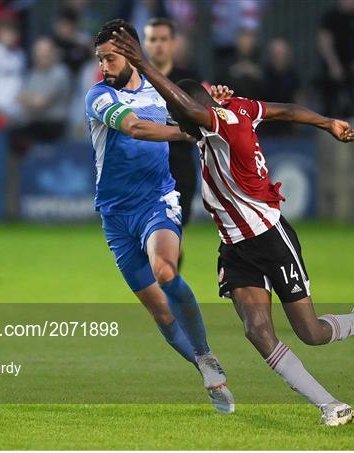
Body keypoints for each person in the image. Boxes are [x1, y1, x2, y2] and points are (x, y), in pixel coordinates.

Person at [110, 26, 354, 427]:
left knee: (309, 331)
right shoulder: (236, 108)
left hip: (269, 236)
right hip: (235, 246)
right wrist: (327, 122)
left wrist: (140, 62)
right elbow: (287, 110)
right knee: (257, 331)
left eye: (182, 118)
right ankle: (331, 405)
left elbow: (190, 112)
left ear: (199, 111)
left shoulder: (218, 123)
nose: (180, 127)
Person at [85, 19, 234, 414]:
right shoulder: (97, 96)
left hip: (158, 199)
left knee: (166, 271)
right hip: (116, 216)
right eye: (100, 59)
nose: (104, 66)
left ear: (131, 53)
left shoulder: (160, 91)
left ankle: (204, 355)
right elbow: (135, 128)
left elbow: (203, 111)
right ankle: (205, 365)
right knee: (160, 310)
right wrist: (189, 132)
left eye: (111, 58)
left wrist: (212, 104)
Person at [143, 18, 200, 232]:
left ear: (174, 43)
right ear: (145, 44)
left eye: (164, 39)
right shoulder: (133, 81)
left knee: (174, 233)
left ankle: (170, 266)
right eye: (153, 39)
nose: (159, 44)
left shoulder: (189, 81)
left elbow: (206, 116)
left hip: (180, 168)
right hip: (143, 167)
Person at [17, 37, 72, 141]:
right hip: (35, 124)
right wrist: (32, 99)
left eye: (46, 51)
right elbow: (19, 97)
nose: (43, 55)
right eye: (39, 51)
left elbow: (42, 102)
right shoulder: (33, 73)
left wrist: (29, 99)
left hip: (53, 126)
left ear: (53, 53)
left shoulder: (60, 73)